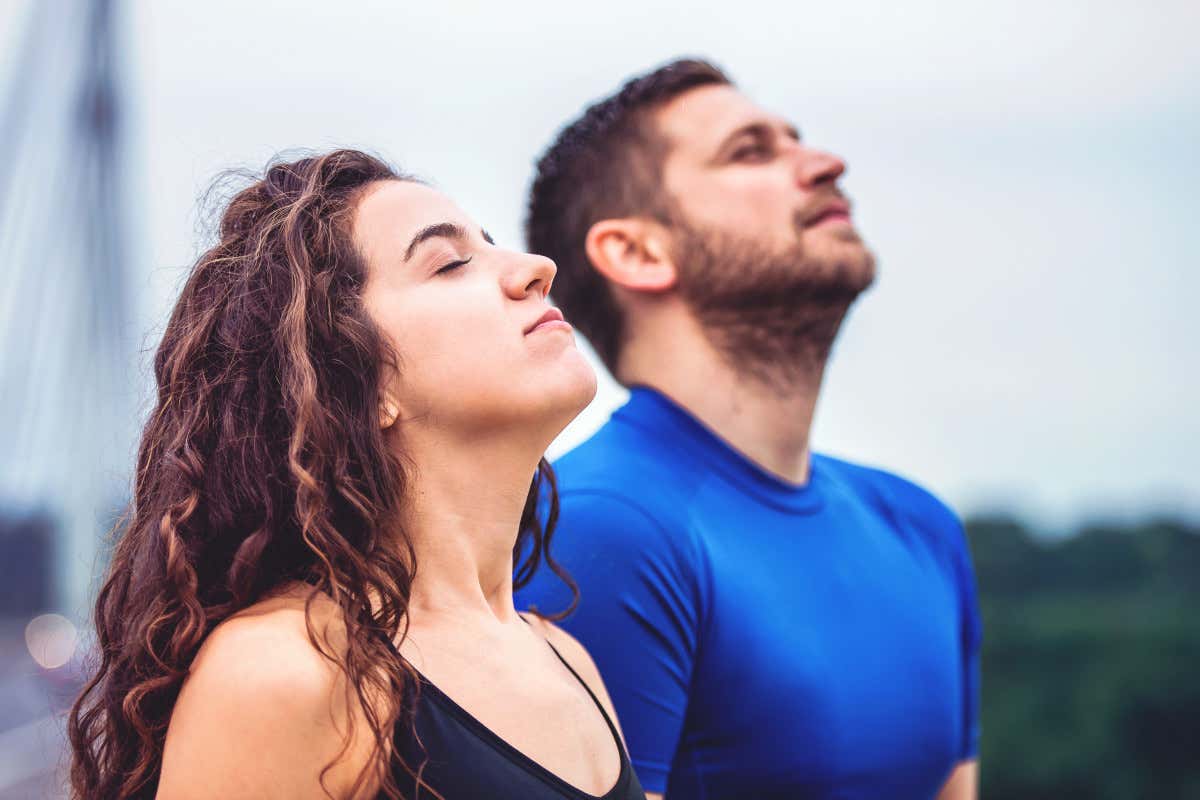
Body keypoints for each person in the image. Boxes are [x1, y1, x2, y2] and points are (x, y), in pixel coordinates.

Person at [68, 149, 646, 800]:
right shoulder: (289, 671)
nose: (536, 268)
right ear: (356, 382)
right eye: (451, 263)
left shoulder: (571, 665)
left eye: (491, 245)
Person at [514, 59, 982, 800]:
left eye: (797, 140)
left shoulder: (919, 525)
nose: (827, 163)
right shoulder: (598, 535)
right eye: (751, 151)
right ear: (637, 252)